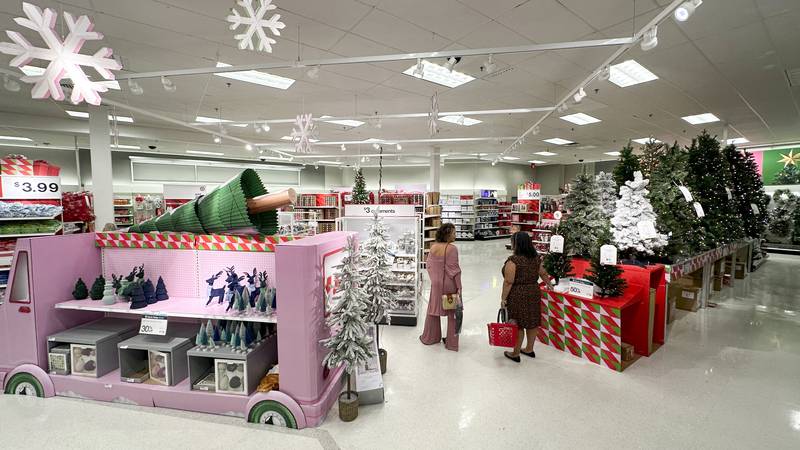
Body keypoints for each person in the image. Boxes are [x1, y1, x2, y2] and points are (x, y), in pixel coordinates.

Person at [500, 232, 553, 362]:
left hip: (518, 293)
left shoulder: (514, 261)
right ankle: (529, 349)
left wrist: (503, 298)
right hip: (533, 292)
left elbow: (508, 281)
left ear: (516, 244)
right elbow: (543, 273)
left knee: (517, 323)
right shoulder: (536, 258)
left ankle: (515, 353)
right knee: (532, 322)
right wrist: (550, 285)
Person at [420, 223, 462, 352]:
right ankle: (452, 343)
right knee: (454, 314)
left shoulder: (433, 248)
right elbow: (454, 271)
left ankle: (430, 337)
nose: (455, 235)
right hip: (449, 285)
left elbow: (428, 266)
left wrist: (435, 280)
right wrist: (459, 287)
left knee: (432, 311)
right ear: (447, 234)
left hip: (436, 284)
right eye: (453, 233)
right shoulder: (452, 248)